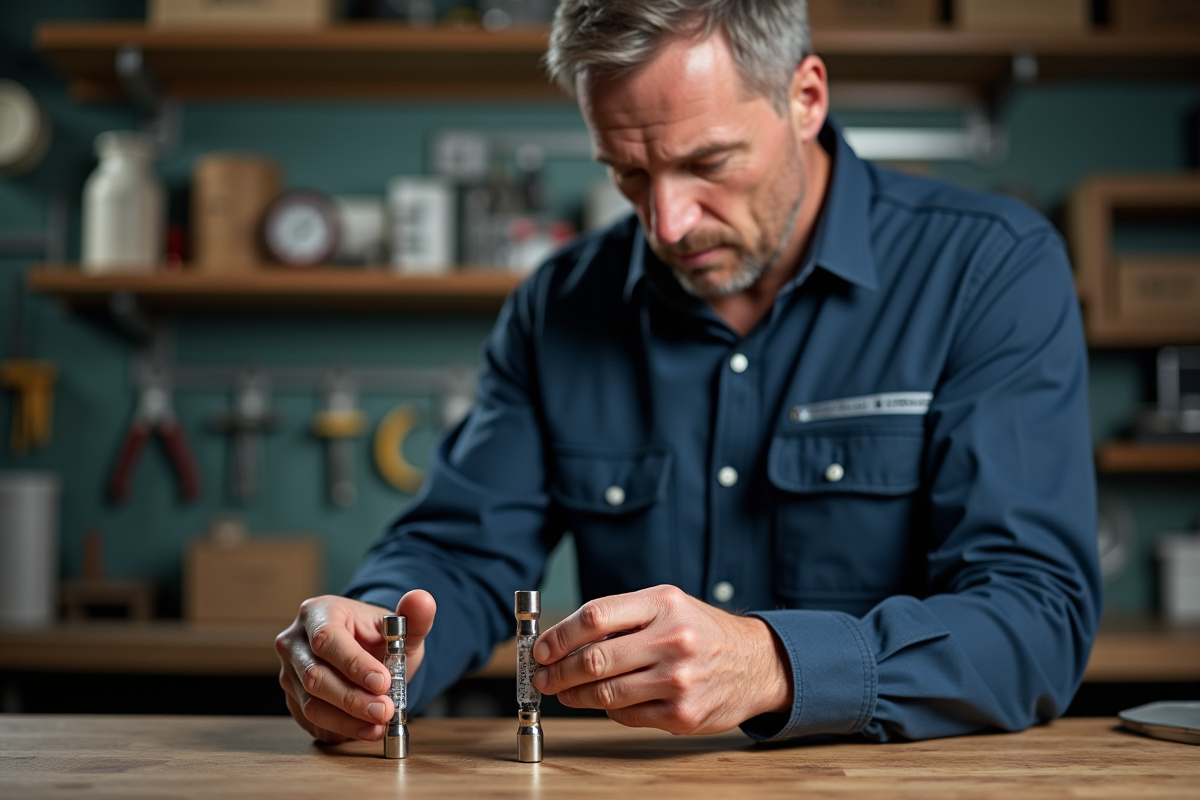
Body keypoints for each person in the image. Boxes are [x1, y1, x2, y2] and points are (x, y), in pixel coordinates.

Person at [276, 0, 1101, 744]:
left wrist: (775, 664)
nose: (668, 223)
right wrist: (374, 639)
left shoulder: (989, 270)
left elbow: (1037, 617)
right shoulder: (557, 306)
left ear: (805, 97)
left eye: (708, 162)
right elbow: (459, 553)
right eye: (628, 173)